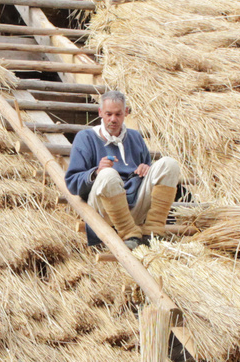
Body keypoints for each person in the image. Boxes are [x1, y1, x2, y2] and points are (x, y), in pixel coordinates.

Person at [64, 90, 183, 250]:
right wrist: (96, 172)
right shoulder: (85, 138)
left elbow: (148, 176)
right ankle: (129, 234)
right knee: (108, 174)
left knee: (170, 164)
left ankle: (153, 229)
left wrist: (145, 169)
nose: (113, 119)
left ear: (126, 113)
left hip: (135, 206)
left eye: (118, 114)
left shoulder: (134, 137)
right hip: (105, 211)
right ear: (100, 113)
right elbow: (72, 183)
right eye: (109, 114)